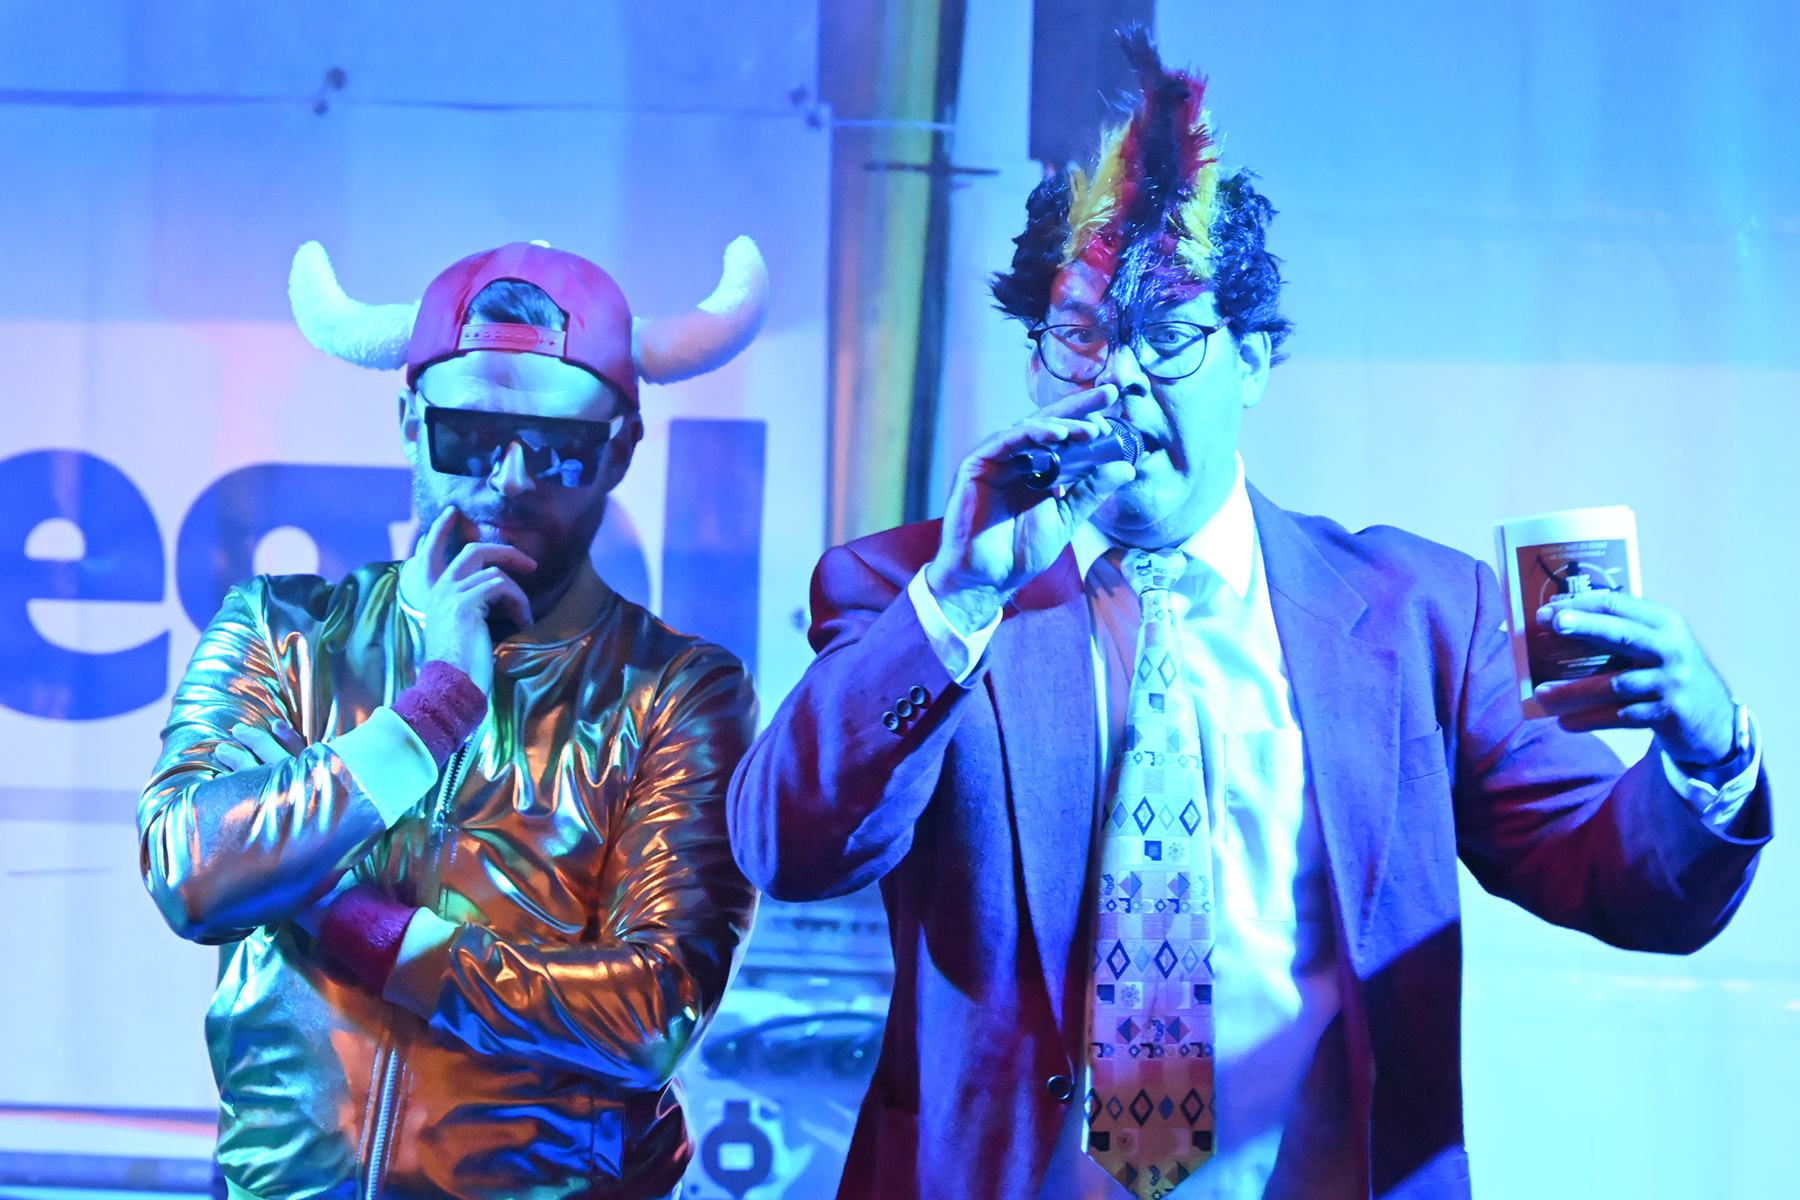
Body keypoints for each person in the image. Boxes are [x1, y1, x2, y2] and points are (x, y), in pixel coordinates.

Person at [727, 31, 1770, 1200]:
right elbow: (790, 849)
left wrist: (1709, 754)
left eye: (1169, 336)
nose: (1118, 376)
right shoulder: (905, 592)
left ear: (1255, 359)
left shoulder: (1422, 616)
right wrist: (964, 594)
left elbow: (1621, 881)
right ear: (1035, 359)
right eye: (1081, 333)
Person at [139, 235, 770, 1200]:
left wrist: (366, 930)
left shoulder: (678, 690)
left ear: (620, 450)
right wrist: (427, 716)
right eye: (467, 436)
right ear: (409, 421)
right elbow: (191, 871)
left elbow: (652, 1014)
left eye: (558, 449)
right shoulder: (283, 629)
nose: (509, 479)